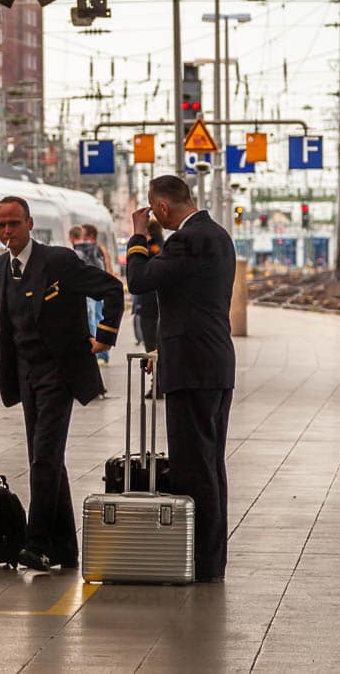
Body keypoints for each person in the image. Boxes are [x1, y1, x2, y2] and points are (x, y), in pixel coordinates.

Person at [0, 196, 123, 571]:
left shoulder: (59, 261)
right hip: (26, 373)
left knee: (44, 458)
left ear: (30, 224)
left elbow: (111, 289)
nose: (7, 232)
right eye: (1, 225)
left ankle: (36, 544)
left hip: (58, 373)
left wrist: (105, 335)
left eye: (14, 224)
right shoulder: (3, 266)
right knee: (48, 459)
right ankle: (65, 549)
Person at [125, 175, 236, 583]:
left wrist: (137, 236)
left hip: (193, 368)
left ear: (163, 208)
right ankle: (211, 559)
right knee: (209, 465)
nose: (153, 218)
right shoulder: (218, 235)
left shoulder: (188, 240)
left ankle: (203, 564)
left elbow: (139, 280)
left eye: (154, 212)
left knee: (194, 468)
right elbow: (193, 303)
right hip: (210, 364)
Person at [76, 223, 111, 364]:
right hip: (101, 289)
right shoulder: (101, 249)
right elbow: (106, 268)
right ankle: (103, 353)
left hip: (90, 289)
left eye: (83, 233)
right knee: (99, 318)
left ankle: (97, 353)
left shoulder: (87, 249)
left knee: (91, 320)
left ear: (89, 235)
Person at [134, 219, 166, 352]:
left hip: (148, 298)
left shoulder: (149, 246)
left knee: (149, 332)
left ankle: (152, 357)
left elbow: (138, 270)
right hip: (160, 297)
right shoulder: (164, 245)